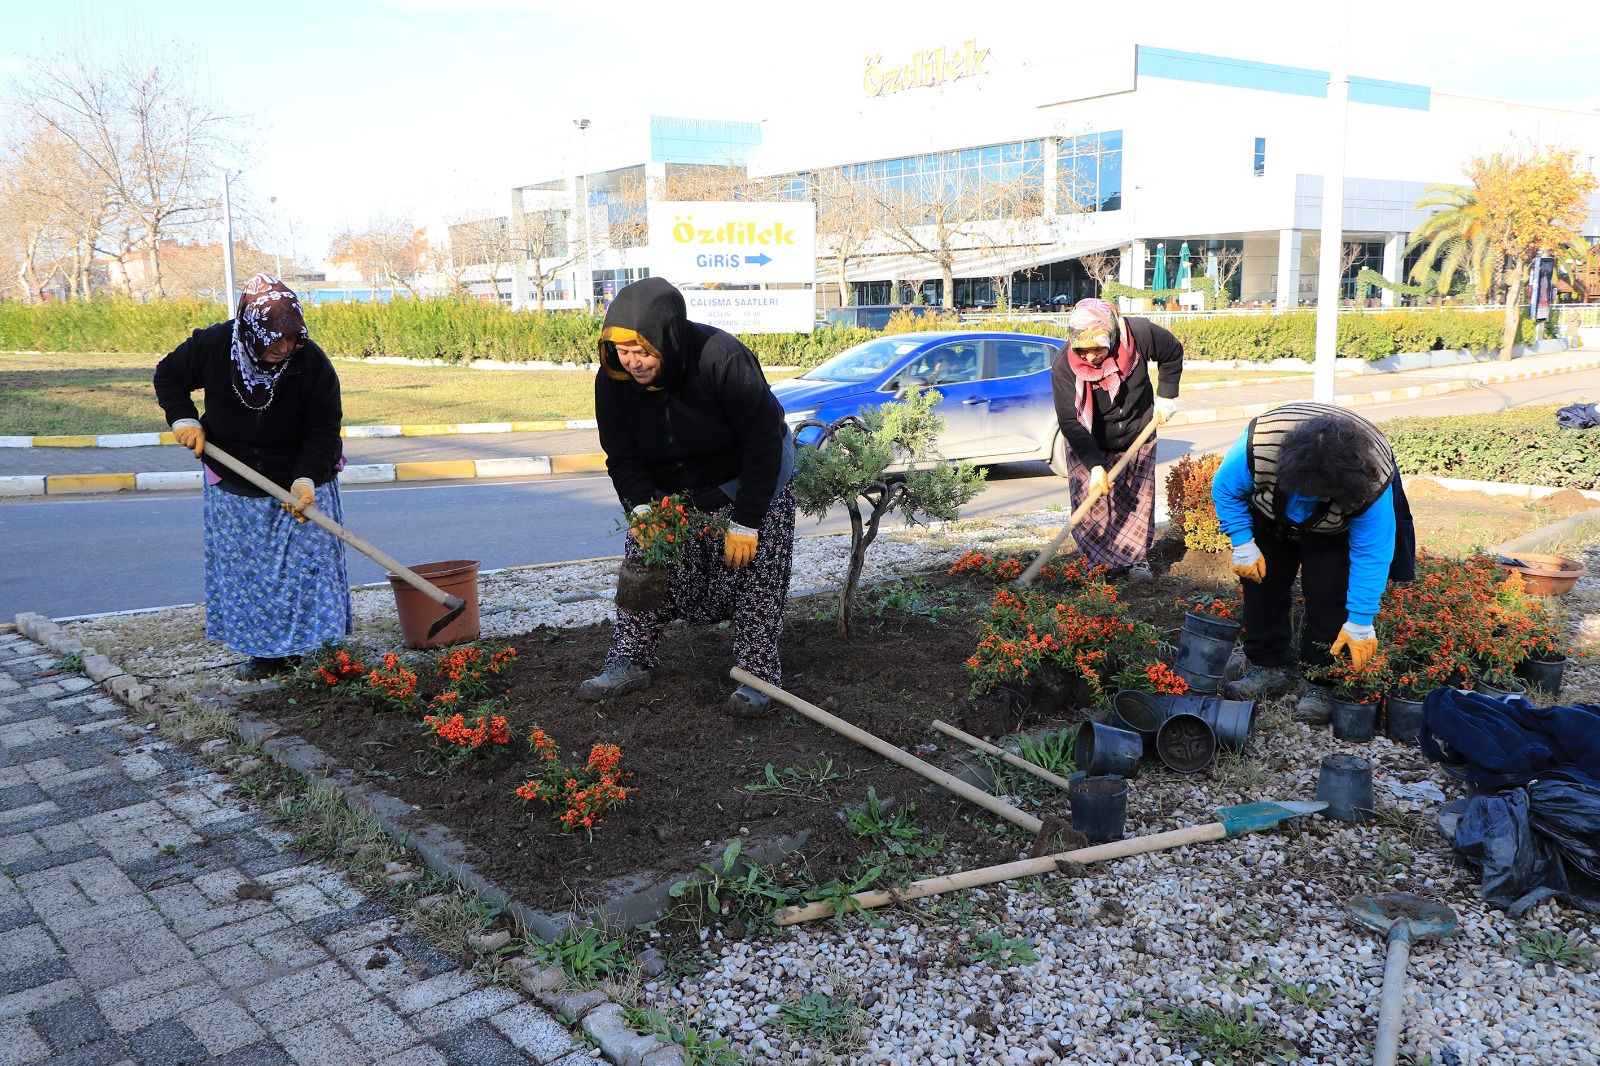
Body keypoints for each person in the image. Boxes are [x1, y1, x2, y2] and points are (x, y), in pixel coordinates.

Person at [579, 277, 796, 717]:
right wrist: (641, 509)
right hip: (671, 486)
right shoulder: (613, 381)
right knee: (644, 563)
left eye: (643, 352)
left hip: (748, 477)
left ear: (669, 339)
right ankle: (630, 660)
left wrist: (748, 520)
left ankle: (757, 676)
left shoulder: (722, 359)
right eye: (623, 352)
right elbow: (622, 455)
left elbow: (761, 443)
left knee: (757, 574)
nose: (634, 363)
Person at [153, 274, 351, 681]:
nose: (284, 347)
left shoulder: (310, 362)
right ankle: (266, 655)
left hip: (301, 483)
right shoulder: (213, 346)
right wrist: (184, 418)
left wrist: (306, 480)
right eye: (275, 338)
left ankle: (319, 651)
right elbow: (168, 376)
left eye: (292, 337)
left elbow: (323, 430)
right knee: (251, 577)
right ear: (251, 329)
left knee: (308, 573)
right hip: (235, 483)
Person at [1211, 402, 1416, 722]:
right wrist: (1242, 542)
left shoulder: (1369, 481)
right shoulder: (1260, 447)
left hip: (1334, 532)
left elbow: (1371, 553)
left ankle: (1321, 682)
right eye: (1316, 491)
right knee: (1263, 585)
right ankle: (1266, 666)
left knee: (1329, 595)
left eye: (1329, 494)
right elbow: (1224, 488)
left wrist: (1361, 619)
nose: (1322, 499)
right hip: (1271, 514)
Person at [1050, 297, 1183, 579]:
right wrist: (1095, 465)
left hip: (1138, 430)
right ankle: (1096, 564)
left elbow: (1172, 351)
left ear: (1110, 335)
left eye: (1097, 348)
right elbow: (1070, 421)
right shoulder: (1065, 365)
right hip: (1089, 439)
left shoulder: (1140, 335)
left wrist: (1167, 396)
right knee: (1091, 504)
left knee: (1135, 498)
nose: (1090, 356)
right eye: (1082, 350)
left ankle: (1133, 560)